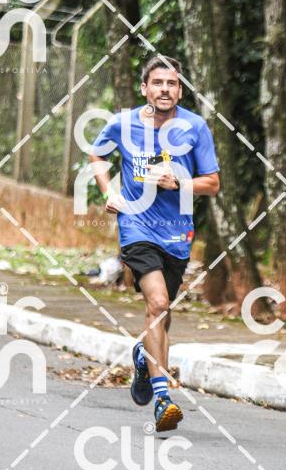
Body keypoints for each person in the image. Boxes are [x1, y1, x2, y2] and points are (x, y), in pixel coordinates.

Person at [89, 55, 220, 431]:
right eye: (158, 83)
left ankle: (142, 357)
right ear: (144, 88)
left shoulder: (195, 127)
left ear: (180, 90)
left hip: (177, 233)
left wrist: (178, 182)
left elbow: (212, 183)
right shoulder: (123, 123)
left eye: (172, 83)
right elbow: (97, 154)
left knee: (162, 313)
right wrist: (109, 192)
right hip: (136, 225)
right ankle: (163, 398)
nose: (165, 89)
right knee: (158, 302)